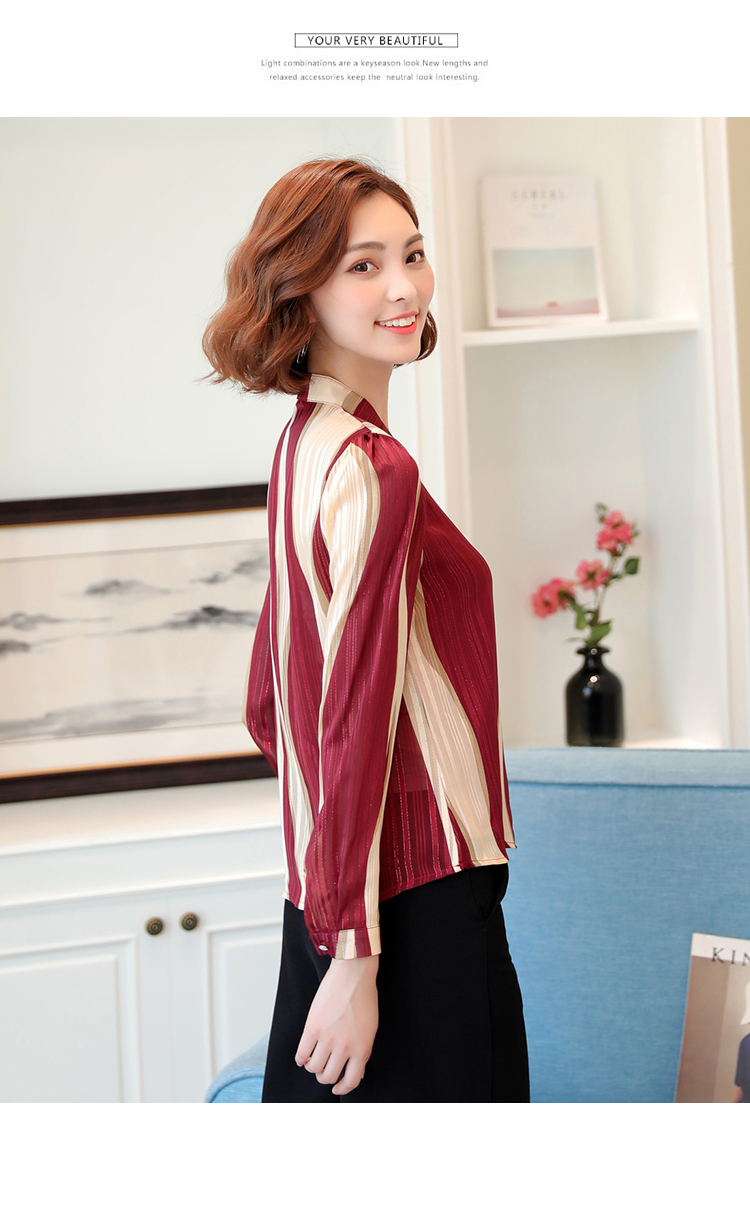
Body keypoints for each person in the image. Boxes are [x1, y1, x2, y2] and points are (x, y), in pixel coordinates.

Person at [201, 156, 530, 1103]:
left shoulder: (303, 445)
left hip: (338, 894)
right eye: (363, 265)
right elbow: (351, 709)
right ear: (299, 290)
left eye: (413, 255)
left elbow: (271, 701)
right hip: (410, 901)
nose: (404, 288)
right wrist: (357, 954)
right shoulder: (376, 468)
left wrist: (335, 885)